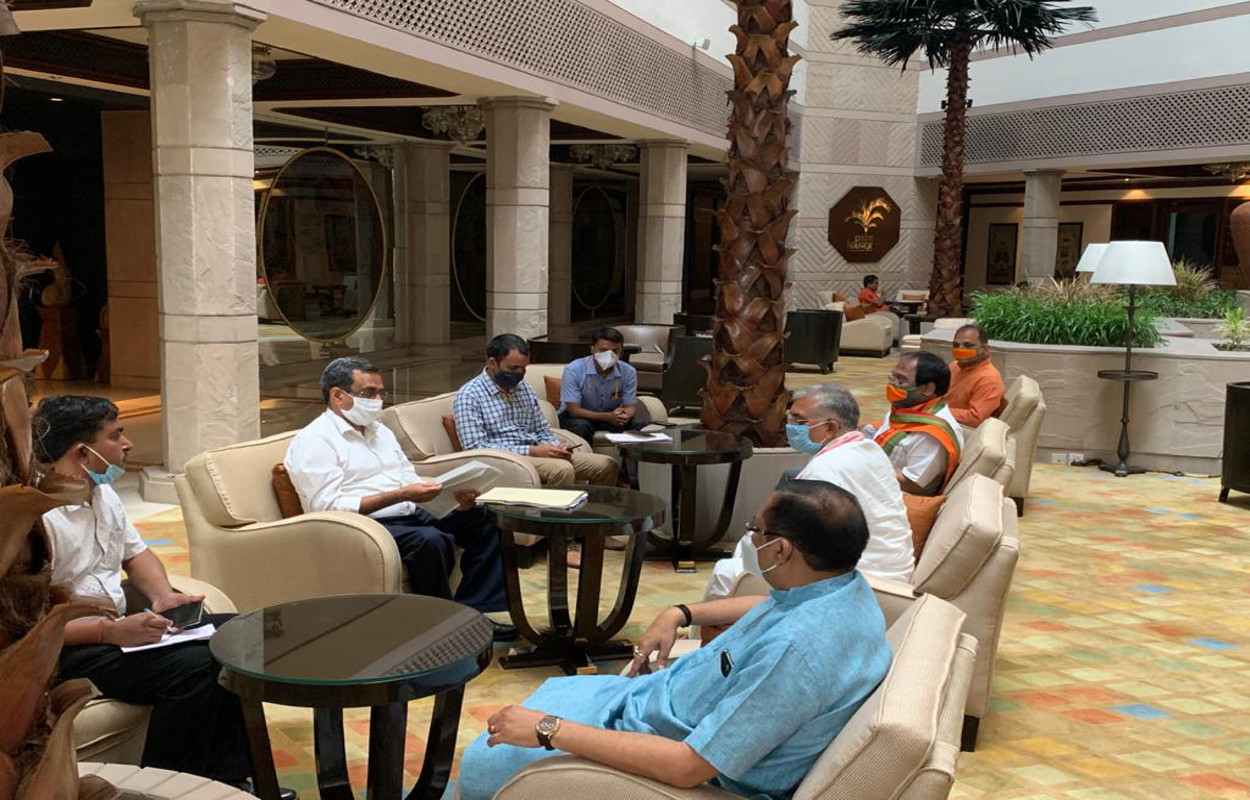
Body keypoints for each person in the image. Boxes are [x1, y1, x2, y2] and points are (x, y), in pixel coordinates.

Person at [456, 481, 890, 800]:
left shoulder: (792, 657)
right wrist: (680, 612)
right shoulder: (842, 589)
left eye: (754, 530)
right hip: (652, 704)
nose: (750, 538)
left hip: (663, 754)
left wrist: (549, 730)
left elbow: (688, 767)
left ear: (781, 550)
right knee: (552, 697)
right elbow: (771, 605)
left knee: (487, 761)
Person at [33, 396, 296, 798]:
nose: (128, 444)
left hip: (118, 631)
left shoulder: (102, 493)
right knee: (197, 667)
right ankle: (172, 785)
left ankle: (229, 779)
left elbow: (136, 554)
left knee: (243, 633)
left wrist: (161, 595)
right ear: (82, 452)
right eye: (115, 435)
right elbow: (32, 627)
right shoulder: (38, 518)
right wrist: (108, 632)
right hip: (69, 649)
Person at [284, 357, 514, 639]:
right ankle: (442, 626)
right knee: (431, 541)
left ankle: (476, 611)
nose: (378, 401)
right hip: (365, 525)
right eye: (369, 393)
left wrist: (449, 496)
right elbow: (327, 507)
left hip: (410, 510)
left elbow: (407, 477)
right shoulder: (315, 440)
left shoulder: (380, 431)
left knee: (485, 519)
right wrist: (401, 494)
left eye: (381, 393)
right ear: (337, 395)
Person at [705, 385, 913, 602]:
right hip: (895, 576)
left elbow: (792, 541)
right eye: (789, 419)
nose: (790, 427)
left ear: (830, 428)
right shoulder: (870, 449)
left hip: (861, 584)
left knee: (726, 572)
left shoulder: (824, 471)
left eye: (799, 421)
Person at [454, 334, 617, 487]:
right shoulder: (470, 395)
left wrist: (556, 447)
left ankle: (596, 507)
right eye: (513, 368)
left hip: (536, 453)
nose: (519, 374)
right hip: (505, 460)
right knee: (562, 470)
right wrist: (532, 451)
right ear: (492, 363)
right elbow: (476, 448)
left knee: (606, 465)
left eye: (523, 369)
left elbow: (541, 430)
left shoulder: (523, 387)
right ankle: (557, 509)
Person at [864, 352, 964, 496]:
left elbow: (911, 484)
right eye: (892, 378)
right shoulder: (907, 408)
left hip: (894, 495)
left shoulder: (931, 435)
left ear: (928, 389)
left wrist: (862, 466)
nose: (892, 385)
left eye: (901, 381)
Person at [559, 326, 644, 488]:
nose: (609, 355)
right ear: (592, 349)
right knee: (581, 426)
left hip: (610, 416)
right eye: (603, 350)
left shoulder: (628, 371)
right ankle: (585, 476)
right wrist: (608, 417)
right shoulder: (574, 369)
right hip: (579, 416)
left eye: (615, 351)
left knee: (638, 425)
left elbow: (630, 406)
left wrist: (624, 415)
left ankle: (629, 480)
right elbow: (574, 410)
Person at [947, 323, 1007, 428]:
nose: (960, 349)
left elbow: (975, 419)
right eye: (956, 345)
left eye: (968, 346)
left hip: (959, 430)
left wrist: (936, 411)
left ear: (985, 349)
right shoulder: (955, 366)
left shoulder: (989, 379)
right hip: (940, 420)